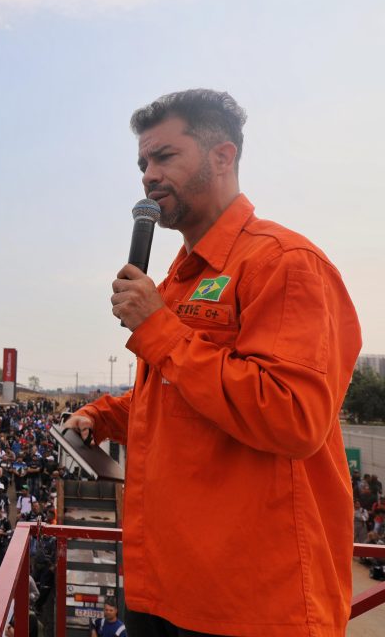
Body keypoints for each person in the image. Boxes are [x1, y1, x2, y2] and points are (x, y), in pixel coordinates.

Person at [63, 89, 362, 636]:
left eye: (165, 156)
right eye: (142, 163)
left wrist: (159, 329)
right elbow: (180, 394)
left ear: (223, 157)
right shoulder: (181, 277)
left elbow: (293, 417)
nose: (149, 175)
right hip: (162, 587)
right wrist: (103, 417)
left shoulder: (284, 262)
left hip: (249, 603)